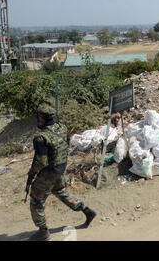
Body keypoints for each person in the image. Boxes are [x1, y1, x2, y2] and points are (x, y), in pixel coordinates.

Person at [27, 103, 97, 241]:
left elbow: (41, 162)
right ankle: (87, 211)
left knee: (36, 201)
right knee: (60, 192)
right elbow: (66, 144)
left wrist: (32, 173)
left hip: (48, 173)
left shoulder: (41, 138)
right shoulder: (62, 128)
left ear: (41, 117)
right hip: (60, 168)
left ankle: (43, 231)